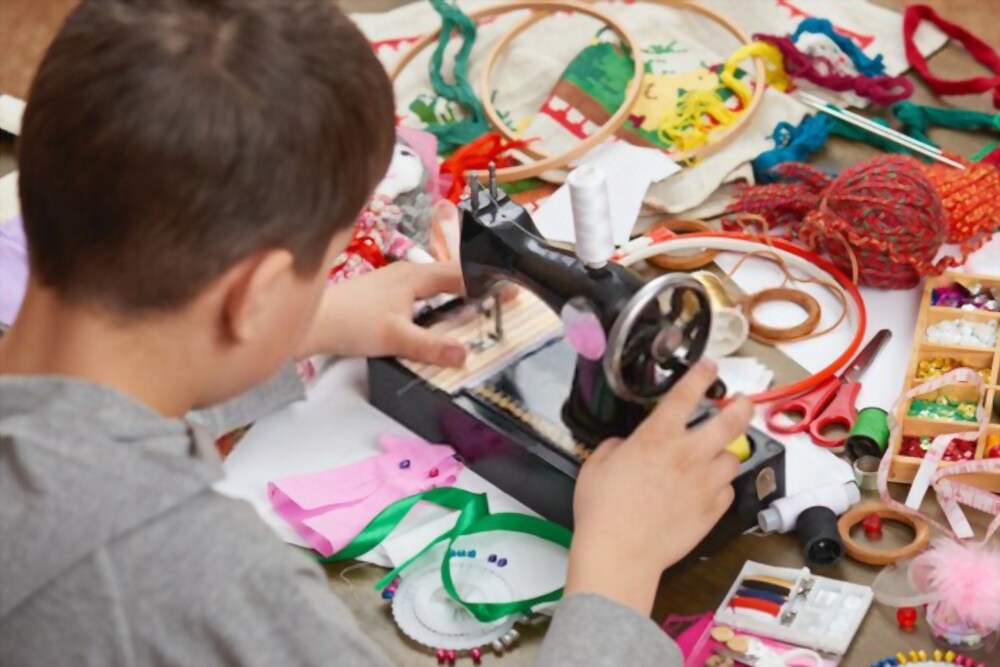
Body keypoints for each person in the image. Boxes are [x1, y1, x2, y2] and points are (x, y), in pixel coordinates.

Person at [0, 1, 752, 665]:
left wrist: (313, 323)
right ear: (253, 295)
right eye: (328, 267)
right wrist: (616, 574)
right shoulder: (213, 586)